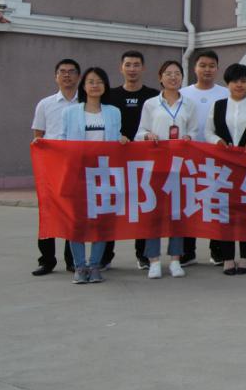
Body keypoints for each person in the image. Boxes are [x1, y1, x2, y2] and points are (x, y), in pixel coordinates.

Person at [205, 63, 246, 275]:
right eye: (235, 81)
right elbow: (208, 131)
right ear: (228, 83)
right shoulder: (218, 105)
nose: (239, 85)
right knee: (225, 213)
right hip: (223, 167)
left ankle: (245, 256)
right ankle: (227, 257)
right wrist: (216, 141)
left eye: (243, 81)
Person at [61, 67, 126, 284]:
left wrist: (122, 139)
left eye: (99, 81)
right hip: (78, 173)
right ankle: (80, 266)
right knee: (77, 222)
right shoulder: (70, 112)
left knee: (102, 221)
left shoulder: (113, 112)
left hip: (104, 173)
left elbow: (116, 137)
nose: (95, 85)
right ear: (84, 86)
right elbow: (61, 140)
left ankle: (95, 264)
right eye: (90, 81)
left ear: (105, 86)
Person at [137, 60, 198, 278]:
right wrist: (147, 135)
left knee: (177, 214)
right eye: (168, 73)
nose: (173, 77)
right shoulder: (151, 104)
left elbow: (195, 130)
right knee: (153, 213)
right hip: (155, 166)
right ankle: (153, 260)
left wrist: (189, 137)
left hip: (179, 166)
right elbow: (139, 132)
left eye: (177, 73)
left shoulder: (189, 104)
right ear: (160, 78)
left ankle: (175, 259)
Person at [102, 50, 159, 271]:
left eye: (136, 65)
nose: (132, 69)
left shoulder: (153, 96)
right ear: (121, 68)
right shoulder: (110, 96)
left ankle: (143, 255)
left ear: (143, 68)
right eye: (128, 65)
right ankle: (105, 256)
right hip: (115, 161)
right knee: (112, 208)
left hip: (145, 162)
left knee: (143, 207)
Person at [30, 59, 81, 276]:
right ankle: (47, 260)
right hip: (51, 166)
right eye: (62, 72)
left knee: (73, 213)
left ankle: (72, 260)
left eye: (71, 72)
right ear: (56, 76)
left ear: (78, 76)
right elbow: (38, 136)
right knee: (48, 213)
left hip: (76, 165)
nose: (67, 75)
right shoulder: (45, 104)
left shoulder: (85, 103)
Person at [178, 49, 229, 266]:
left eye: (211, 66)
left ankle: (217, 250)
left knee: (216, 203)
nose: (207, 70)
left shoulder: (225, 93)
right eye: (203, 65)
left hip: (217, 157)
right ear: (195, 68)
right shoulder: (183, 93)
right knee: (189, 203)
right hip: (188, 157)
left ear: (217, 69)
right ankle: (187, 251)